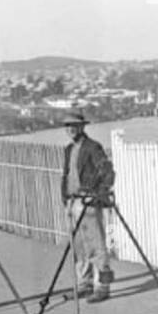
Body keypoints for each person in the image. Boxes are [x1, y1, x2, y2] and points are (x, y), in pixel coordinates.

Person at [60, 111, 117, 303]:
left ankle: (103, 286)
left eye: (74, 125)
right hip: (72, 202)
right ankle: (85, 283)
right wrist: (65, 198)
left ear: (82, 126)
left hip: (88, 202)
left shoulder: (93, 147)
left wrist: (97, 194)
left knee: (96, 245)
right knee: (79, 247)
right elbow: (67, 174)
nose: (70, 129)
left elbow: (108, 172)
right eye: (67, 126)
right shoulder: (69, 149)